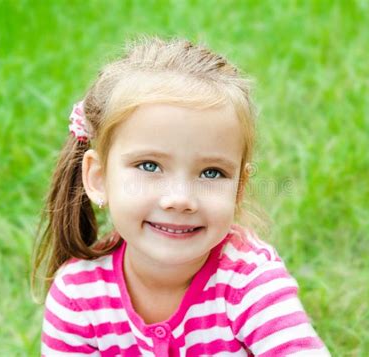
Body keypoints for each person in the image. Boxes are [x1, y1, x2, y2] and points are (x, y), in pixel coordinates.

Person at [32, 37, 330, 356]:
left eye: (212, 172)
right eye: (149, 165)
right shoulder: (78, 296)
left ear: (238, 189)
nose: (180, 199)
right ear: (99, 177)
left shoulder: (249, 281)